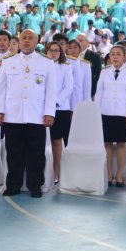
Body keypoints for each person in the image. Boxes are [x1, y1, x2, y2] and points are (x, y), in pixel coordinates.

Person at [0, 29, 57, 198]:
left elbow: (51, 91)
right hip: (13, 115)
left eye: (31, 38)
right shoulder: (8, 62)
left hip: (36, 116)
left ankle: (35, 186)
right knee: (13, 153)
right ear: (19, 41)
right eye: (24, 38)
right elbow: (0, 89)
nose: (27, 41)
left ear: (36, 42)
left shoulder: (46, 63)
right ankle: (13, 186)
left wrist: (49, 113)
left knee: (36, 154)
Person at [96, 45, 126, 187]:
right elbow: (98, 93)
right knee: (108, 144)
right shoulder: (104, 72)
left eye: (118, 54)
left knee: (122, 144)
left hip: (123, 113)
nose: (115, 57)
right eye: (112, 54)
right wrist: (97, 113)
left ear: (125, 57)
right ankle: (109, 173)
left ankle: (119, 175)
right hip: (106, 112)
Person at [44, 41, 73, 183]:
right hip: (42, 109)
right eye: (50, 50)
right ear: (46, 52)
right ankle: (44, 172)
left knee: (56, 141)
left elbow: (68, 88)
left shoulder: (65, 67)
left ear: (60, 53)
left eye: (56, 50)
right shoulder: (41, 66)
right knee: (43, 141)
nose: (53, 53)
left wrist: (54, 101)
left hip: (59, 108)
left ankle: (55, 172)